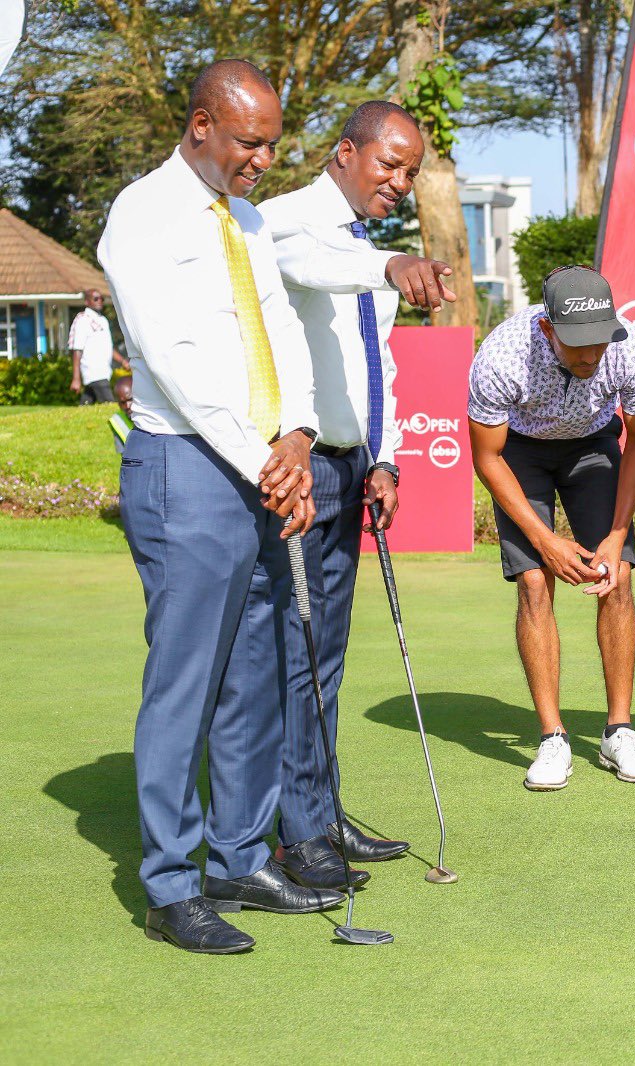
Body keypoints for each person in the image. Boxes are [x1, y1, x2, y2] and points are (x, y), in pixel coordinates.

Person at [98, 59, 344, 954]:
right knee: (187, 683)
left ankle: (241, 855)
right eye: (249, 142)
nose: (264, 159)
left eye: (274, 142)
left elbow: (280, 328)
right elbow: (174, 358)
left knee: (253, 675)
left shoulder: (244, 217)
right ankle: (172, 884)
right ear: (201, 125)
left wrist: (299, 436)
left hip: (260, 461)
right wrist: (262, 456)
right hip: (187, 468)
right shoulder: (144, 211)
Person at [259, 100, 458, 889]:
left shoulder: (368, 244)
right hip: (297, 471)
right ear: (345, 152)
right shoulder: (284, 221)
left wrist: (388, 457)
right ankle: (291, 831)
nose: (401, 183)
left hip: (351, 467)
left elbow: (380, 363)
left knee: (326, 659)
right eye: (389, 165)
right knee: (292, 656)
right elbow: (305, 266)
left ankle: (319, 812)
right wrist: (386, 267)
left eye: (411, 172)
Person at [468, 266, 635, 791]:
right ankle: (553, 737)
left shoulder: (631, 349)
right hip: (519, 454)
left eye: (598, 342)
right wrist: (544, 539)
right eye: (576, 344)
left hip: (593, 446)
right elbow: (486, 457)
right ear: (547, 328)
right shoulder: (503, 355)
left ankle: (618, 731)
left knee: (615, 575)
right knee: (535, 583)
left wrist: (618, 534)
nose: (589, 356)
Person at [68, 289, 127, 404]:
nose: (99, 301)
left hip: (104, 371)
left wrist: (123, 361)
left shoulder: (103, 320)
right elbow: (77, 350)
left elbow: (109, 347)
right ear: (87, 302)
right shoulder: (82, 320)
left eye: (101, 299)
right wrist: (76, 378)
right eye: (95, 299)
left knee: (86, 403)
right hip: (93, 371)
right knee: (110, 406)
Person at [108, 375, 133, 453]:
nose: (127, 406)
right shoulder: (117, 421)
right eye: (122, 403)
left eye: (130, 400)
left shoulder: (154, 413)